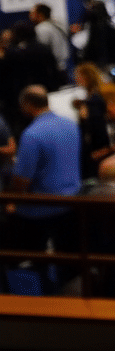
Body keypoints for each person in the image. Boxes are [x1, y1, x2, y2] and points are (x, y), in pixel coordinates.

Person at [5, 86, 82, 260]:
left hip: (39, 210)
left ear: (27, 105)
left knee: (31, 260)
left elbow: (21, 181)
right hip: (72, 204)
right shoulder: (71, 125)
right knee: (68, 261)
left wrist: (11, 200)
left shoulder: (32, 135)